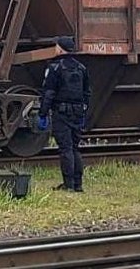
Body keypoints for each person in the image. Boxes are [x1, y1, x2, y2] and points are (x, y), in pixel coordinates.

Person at [37, 36, 90, 192]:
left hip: (61, 112)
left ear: (60, 49)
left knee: (65, 148)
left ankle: (68, 184)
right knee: (75, 147)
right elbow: (87, 92)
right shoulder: (82, 68)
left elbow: (49, 93)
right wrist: (83, 110)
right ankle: (78, 184)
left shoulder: (55, 68)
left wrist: (43, 114)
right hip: (78, 112)